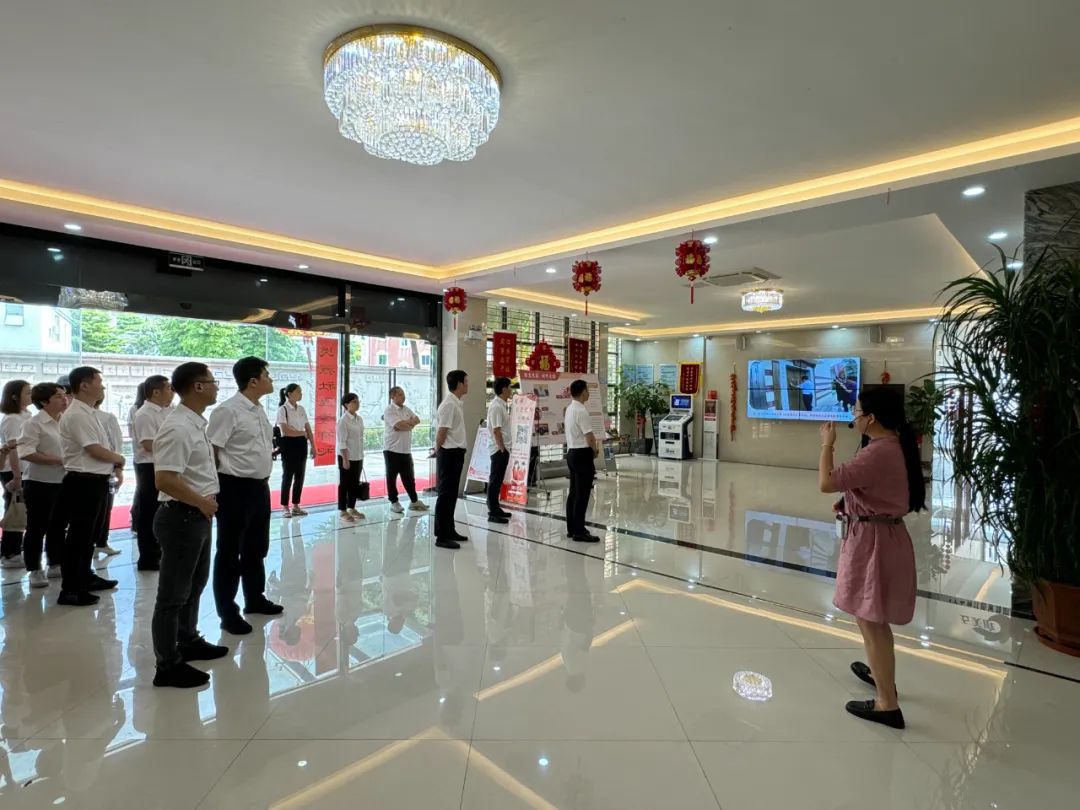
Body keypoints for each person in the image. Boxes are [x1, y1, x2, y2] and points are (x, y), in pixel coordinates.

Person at [818, 386, 926, 730]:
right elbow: (875, 490)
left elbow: (826, 481)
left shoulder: (878, 452)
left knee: (871, 619)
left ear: (871, 418)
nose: (854, 417)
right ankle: (881, 675)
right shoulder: (893, 446)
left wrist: (827, 444)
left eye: (857, 411)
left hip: (875, 544)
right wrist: (849, 502)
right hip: (877, 535)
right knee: (869, 616)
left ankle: (887, 704)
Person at [151, 362, 229, 688]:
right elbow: (165, 479)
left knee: (194, 586)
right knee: (172, 596)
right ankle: (167, 665)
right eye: (212, 381)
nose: (216, 386)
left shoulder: (195, 423)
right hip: (182, 516)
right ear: (198, 386)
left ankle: (188, 640)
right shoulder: (178, 427)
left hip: (197, 515)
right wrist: (200, 501)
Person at [207, 356, 282, 635]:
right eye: (267, 375)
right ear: (253, 381)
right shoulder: (228, 411)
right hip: (233, 488)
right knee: (229, 551)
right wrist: (213, 487)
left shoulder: (258, 409)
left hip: (259, 487)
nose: (270, 380)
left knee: (256, 546)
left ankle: (255, 598)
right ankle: (228, 612)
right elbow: (211, 450)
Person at [57, 367, 122, 606]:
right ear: (84, 385)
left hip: (96, 480)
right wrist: (119, 459)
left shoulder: (89, 412)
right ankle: (71, 589)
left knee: (90, 535)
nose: (102, 387)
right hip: (83, 481)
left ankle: (85, 577)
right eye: (99, 382)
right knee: (79, 537)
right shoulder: (77, 414)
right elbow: (93, 449)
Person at [17, 382, 67, 587]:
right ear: (44, 401)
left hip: (63, 481)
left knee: (59, 525)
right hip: (39, 482)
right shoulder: (34, 423)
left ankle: (55, 563)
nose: (64, 399)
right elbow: (26, 452)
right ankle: (34, 569)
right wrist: (59, 460)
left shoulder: (65, 421)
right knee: (36, 527)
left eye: (64, 395)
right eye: (58, 396)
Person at [132, 375, 174, 570]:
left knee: (161, 510)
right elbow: (148, 444)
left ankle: (159, 552)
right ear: (156, 392)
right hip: (149, 467)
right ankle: (148, 558)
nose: (172, 392)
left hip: (163, 464)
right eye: (168, 388)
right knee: (148, 512)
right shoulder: (145, 414)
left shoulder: (166, 411)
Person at [433, 370, 469, 549]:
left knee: (451, 494)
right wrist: (437, 449)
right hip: (449, 453)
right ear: (459, 384)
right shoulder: (449, 404)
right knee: (446, 494)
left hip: (455, 453)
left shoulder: (456, 403)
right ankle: (441, 535)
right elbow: (442, 431)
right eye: (466, 381)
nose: (468, 384)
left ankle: (449, 529)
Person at [382, 386, 429, 515]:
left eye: (403, 394)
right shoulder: (389, 410)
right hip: (392, 449)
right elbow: (398, 425)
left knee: (409, 477)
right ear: (392, 397)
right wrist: (408, 424)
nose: (403, 397)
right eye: (400, 394)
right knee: (392, 477)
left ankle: (414, 501)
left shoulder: (406, 409)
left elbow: (417, 419)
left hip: (406, 450)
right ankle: (394, 502)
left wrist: (405, 424)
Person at [565, 379, 601, 543]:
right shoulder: (581, 410)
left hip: (572, 453)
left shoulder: (570, 409)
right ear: (583, 392)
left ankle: (572, 528)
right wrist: (595, 450)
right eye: (587, 390)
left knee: (574, 493)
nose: (588, 393)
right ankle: (579, 531)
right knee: (582, 495)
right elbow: (589, 436)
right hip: (582, 455)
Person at [1, 380, 31, 567]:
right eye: (27, 393)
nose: (31, 396)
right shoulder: (12, 418)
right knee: (14, 509)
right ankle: (9, 553)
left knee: (21, 508)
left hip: (25, 468)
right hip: (13, 470)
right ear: (14, 396)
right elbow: (13, 449)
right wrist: (16, 476)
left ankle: (15, 548)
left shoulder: (26, 415)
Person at [275, 383, 314, 518]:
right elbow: (285, 431)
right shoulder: (283, 409)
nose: (301, 394)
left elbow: (308, 428)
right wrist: (302, 433)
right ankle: (285, 506)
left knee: (300, 476)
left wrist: (313, 446)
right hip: (289, 445)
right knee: (287, 476)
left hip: (301, 444)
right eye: (298, 391)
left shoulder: (301, 409)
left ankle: (296, 505)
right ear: (290, 394)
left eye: (301, 392)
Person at [93, 397, 125, 557]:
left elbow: (116, 444)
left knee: (104, 508)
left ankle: (101, 542)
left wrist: (118, 467)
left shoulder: (107, 418)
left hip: (105, 469)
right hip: (80, 472)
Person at [486, 377, 513, 524]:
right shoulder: (496, 406)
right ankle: (492, 511)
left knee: (498, 480)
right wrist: (502, 448)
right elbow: (496, 430)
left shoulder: (501, 405)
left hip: (503, 448)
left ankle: (496, 508)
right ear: (503, 389)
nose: (511, 390)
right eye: (509, 387)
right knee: (495, 480)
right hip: (499, 450)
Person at [336, 393, 365, 522]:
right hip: (346, 456)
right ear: (346, 405)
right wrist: (345, 459)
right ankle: (343, 510)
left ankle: (351, 507)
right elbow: (342, 442)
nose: (357, 403)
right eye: (354, 401)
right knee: (345, 484)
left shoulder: (359, 419)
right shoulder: (343, 421)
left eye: (358, 401)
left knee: (354, 483)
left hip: (358, 455)